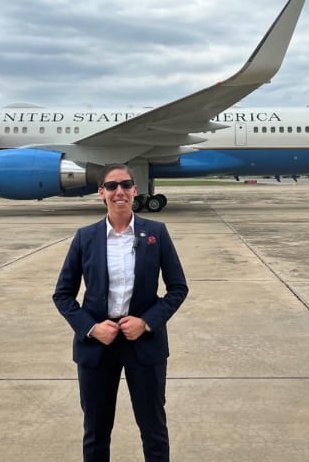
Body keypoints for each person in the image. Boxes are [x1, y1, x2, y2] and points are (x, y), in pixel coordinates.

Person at [53, 163, 188, 462]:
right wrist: (91, 328)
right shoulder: (85, 237)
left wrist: (147, 322)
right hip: (98, 345)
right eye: (112, 186)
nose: (120, 192)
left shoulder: (156, 233)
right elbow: (63, 294)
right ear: (101, 192)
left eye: (126, 185)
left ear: (134, 190)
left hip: (144, 342)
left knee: (153, 429)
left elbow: (178, 288)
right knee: (96, 431)